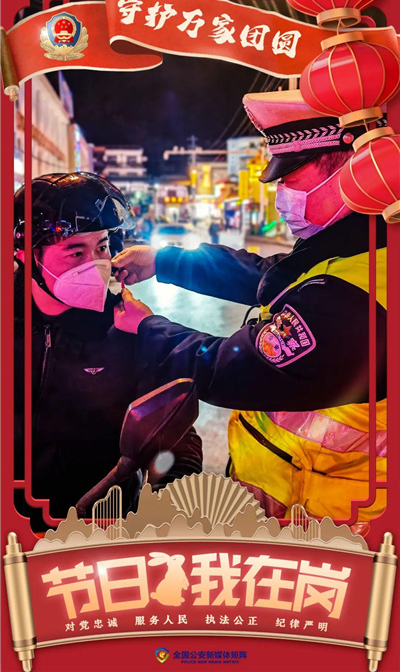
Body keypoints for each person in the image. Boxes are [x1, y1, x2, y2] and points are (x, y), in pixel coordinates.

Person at [111, 90, 387, 525]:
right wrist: (164, 260)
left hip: (329, 523)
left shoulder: (358, 293)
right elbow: (268, 276)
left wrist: (148, 329)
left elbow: (231, 370)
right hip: (296, 493)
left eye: (289, 177)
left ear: (353, 169)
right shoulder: (356, 247)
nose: (279, 193)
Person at [14, 172, 202, 528]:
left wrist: (171, 506)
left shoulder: (129, 327)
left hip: (105, 529)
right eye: (76, 252)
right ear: (26, 254)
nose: (96, 264)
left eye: (101, 247)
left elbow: (175, 440)